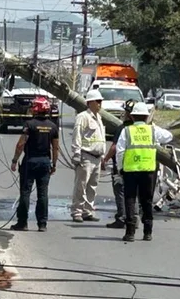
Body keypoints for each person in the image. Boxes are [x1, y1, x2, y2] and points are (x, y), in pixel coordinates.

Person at [112, 102, 172, 242]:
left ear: (132, 117)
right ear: (146, 117)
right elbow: (169, 136)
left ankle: (130, 232)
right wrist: (154, 127)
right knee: (147, 201)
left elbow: (120, 152)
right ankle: (147, 232)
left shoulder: (126, 131)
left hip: (130, 171)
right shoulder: (152, 130)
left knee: (130, 200)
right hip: (148, 171)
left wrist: (120, 169)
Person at [10, 97, 59, 232]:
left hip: (30, 161)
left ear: (36, 109)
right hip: (45, 163)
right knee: (43, 194)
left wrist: (15, 160)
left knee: (25, 192)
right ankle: (42, 224)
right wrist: (54, 164)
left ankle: (22, 223)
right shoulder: (53, 126)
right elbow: (55, 148)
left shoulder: (29, 124)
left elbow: (21, 144)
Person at [69, 89, 106, 222]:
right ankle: (77, 211)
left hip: (96, 157)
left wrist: (102, 157)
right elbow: (77, 135)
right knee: (81, 185)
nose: (100, 104)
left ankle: (87, 211)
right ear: (90, 102)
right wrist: (76, 153)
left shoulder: (99, 118)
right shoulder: (83, 117)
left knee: (92, 186)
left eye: (101, 101)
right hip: (86, 156)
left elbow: (100, 138)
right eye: (98, 101)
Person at [101, 100, 138, 229]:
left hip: (122, 167)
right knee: (134, 193)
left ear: (128, 114)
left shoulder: (123, 129)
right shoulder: (142, 129)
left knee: (120, 192)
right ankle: (134, 218)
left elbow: (114, 148)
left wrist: (105, 160)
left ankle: (122, 218)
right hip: (138, 166)